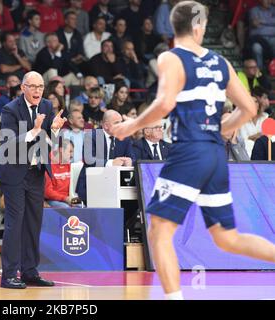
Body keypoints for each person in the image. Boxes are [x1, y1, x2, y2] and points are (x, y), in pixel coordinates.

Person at [110, 1, 275, 300]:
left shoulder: (172, 58)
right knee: (227, 238)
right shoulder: (221, 62)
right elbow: (250, 108)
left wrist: (131, 125)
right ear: (199, 26)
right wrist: (221, 130)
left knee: (159, 232)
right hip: (214, 153)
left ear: (174, 27)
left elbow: (164, 104)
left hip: (189, 151)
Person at [0, 71, 66, 289]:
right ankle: (8, 275)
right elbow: (8, 144)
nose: (37, 91)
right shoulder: (10, 109)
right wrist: (34, 131)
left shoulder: (46, 106)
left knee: (34, 223)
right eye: (32, 86)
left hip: (35, 172)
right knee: (15, 224)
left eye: (40, 87)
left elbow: (47, 142)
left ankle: (29, 271)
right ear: (23, 88)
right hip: (13, 172)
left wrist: (53, 131)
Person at [44, 139, 76, 208]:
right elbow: (47, 192)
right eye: (70, 152)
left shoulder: (70, 166)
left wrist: (70, 199)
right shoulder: (49, 166)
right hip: (54, 199)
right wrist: (65, 198)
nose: (72, 155)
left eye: (72, 152)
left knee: (82, 205)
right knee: (66, 207)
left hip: (69, 198)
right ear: (61, 150)